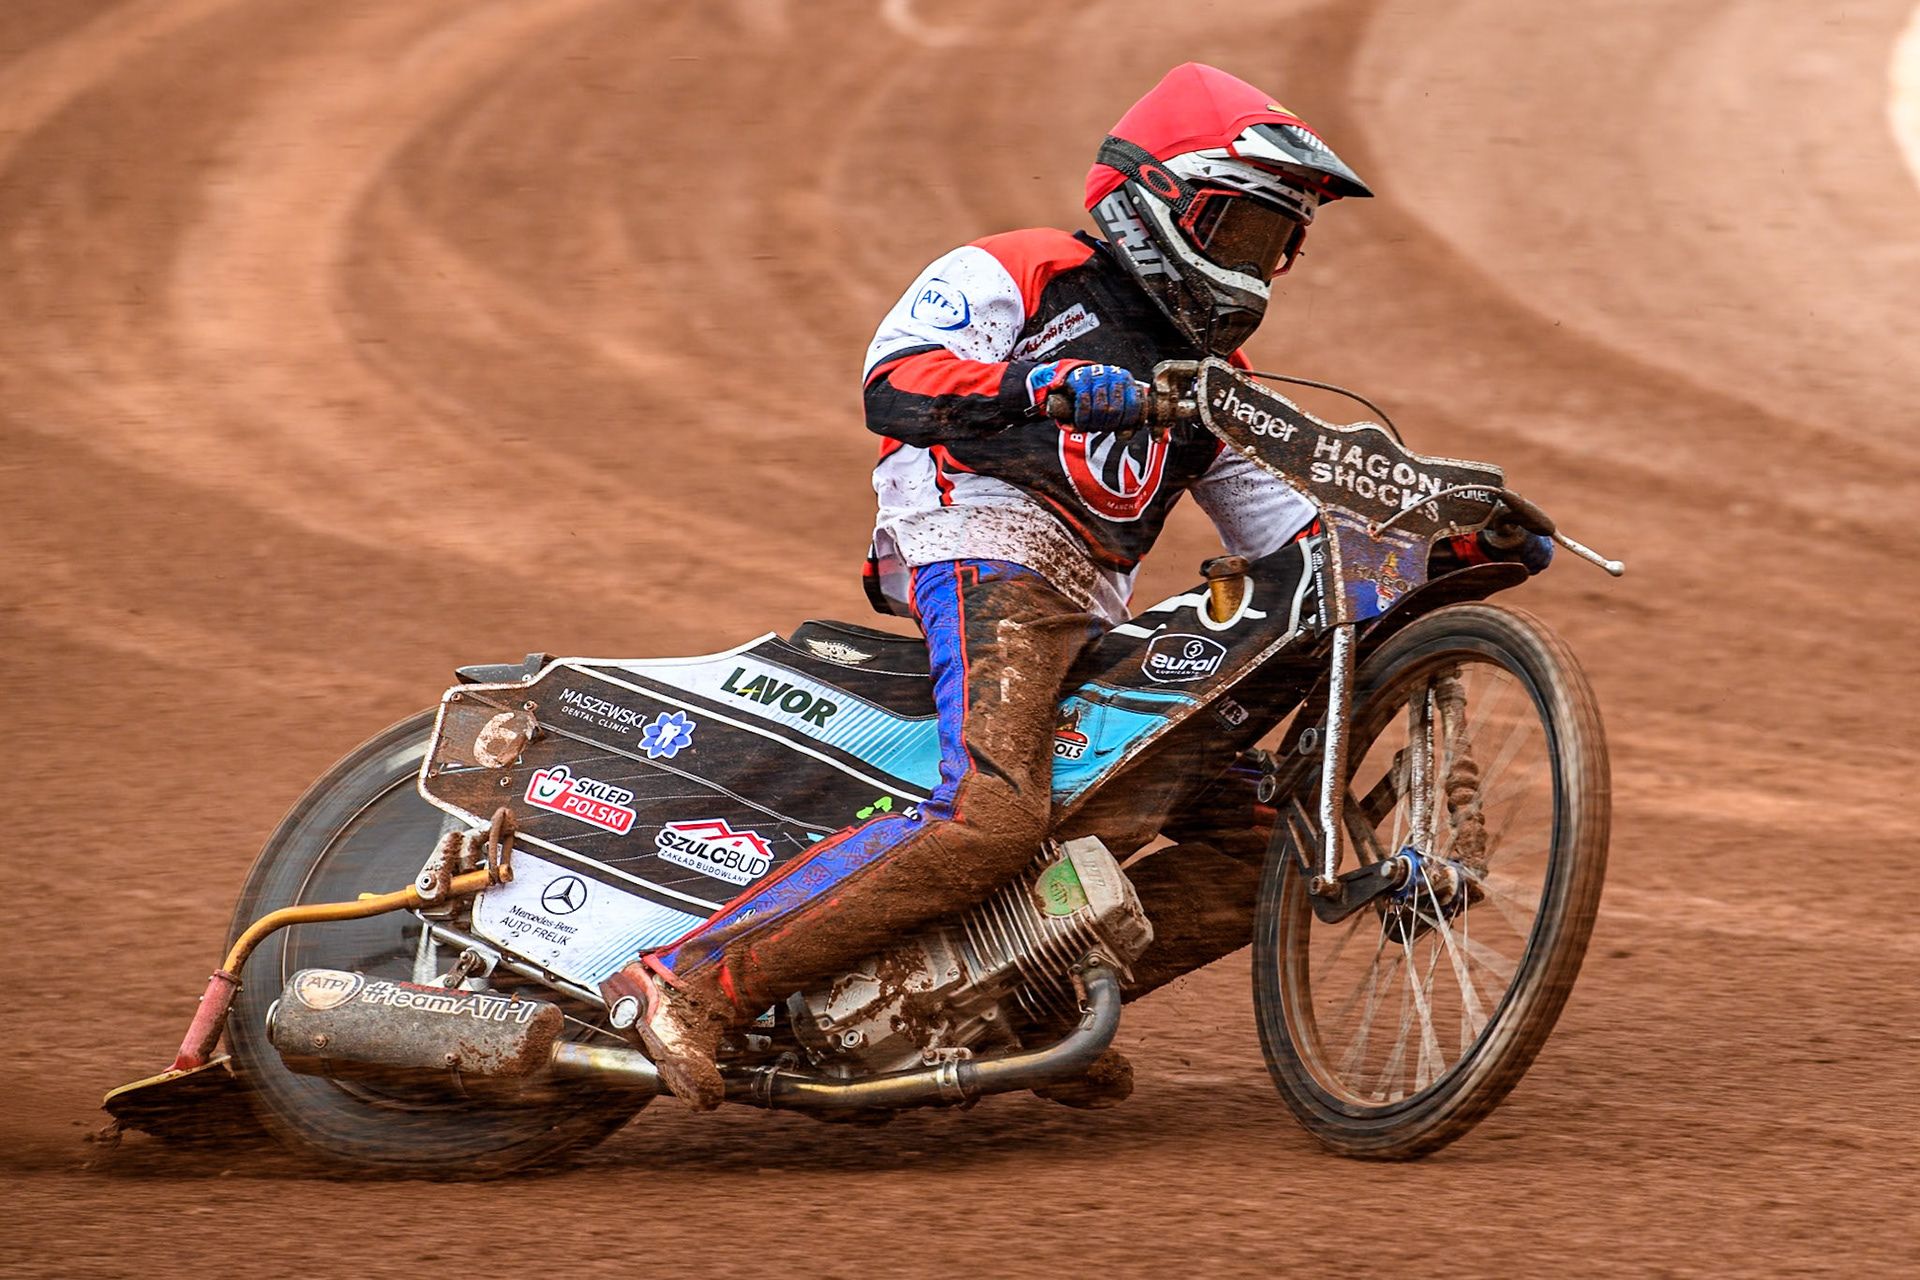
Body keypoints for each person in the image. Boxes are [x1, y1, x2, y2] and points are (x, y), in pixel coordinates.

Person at [603, 63, 1539, 1111]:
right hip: (978, 536)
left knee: (1266, 853)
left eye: (1270, 245)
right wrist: (1041, 386)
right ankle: (686, 978)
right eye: (1232, 230)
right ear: (1156, 200)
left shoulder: (1215, 388)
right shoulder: (1028, 269)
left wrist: (1443, 551)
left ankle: (1025, 1005)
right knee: (991, 817)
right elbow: (896, 379)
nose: (1251, 266)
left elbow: (1302, 546)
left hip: (1085, 605)